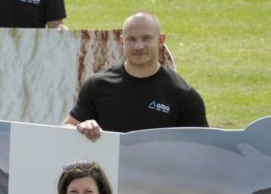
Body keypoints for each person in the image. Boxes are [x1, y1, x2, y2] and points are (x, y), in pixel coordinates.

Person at [64, 11, 208, 140]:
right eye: (131, 39)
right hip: (107, 170)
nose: (139, 46)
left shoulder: (184, 95)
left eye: (146, 38)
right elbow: (65, 130)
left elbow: (202, 147)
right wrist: (81, 127)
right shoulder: (97, 85)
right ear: (121, 41)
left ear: (160, 40)